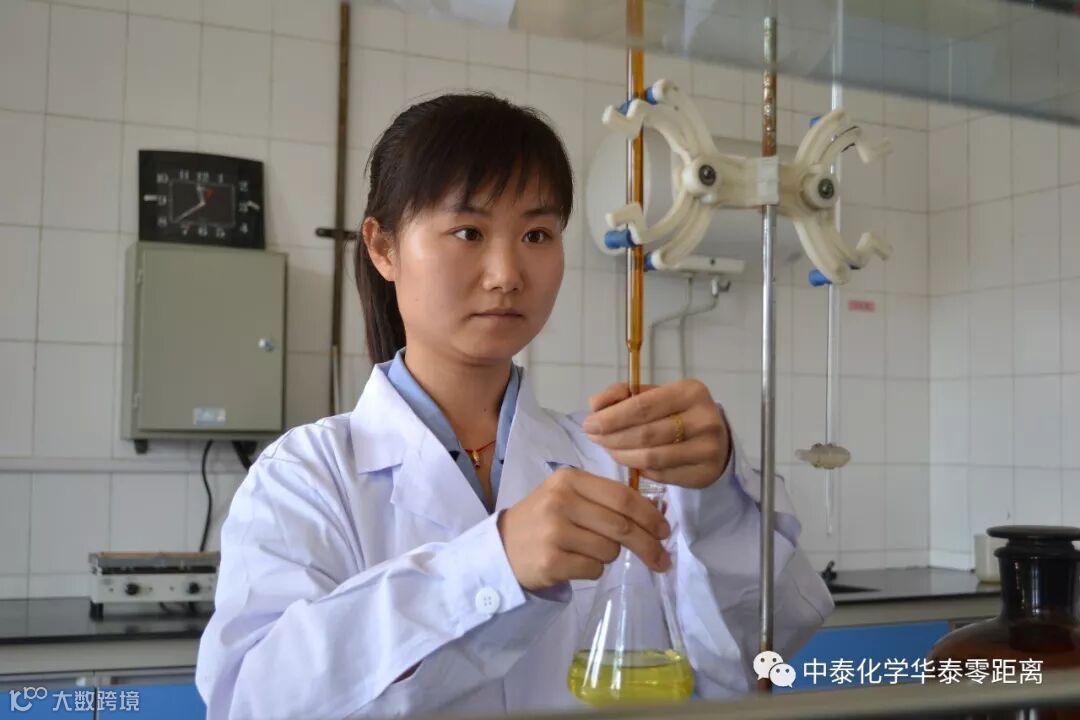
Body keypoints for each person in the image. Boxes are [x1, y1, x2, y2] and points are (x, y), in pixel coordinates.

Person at [195, 92, 833, 719]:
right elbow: (252, 702)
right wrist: (490, 567)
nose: (506, 273)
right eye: (467, 231)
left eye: (536, 233)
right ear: (383, 248)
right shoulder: (306, 476)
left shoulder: (618, 462)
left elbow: (755, 659)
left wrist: (718, 495)